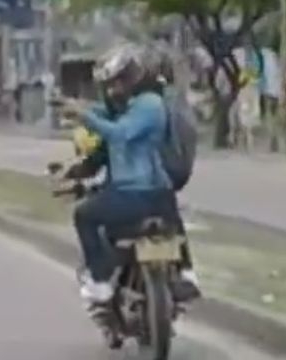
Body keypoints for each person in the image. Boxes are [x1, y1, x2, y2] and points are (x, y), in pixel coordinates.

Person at [64, 46, 201, 303]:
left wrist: (85, 116)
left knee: (84, 215)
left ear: (131, 79)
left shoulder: (147, 105)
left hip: (137, 193)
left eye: (117, 83)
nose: (113, 91)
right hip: (159, 195)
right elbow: (103, 144)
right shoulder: (132, 106)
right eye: (109, 85)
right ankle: (184, 271)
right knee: (172, 222)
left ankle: (101, 280)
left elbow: (119, 134)